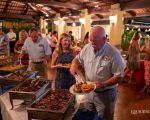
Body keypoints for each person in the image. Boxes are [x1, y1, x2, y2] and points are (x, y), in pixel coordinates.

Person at [70, 26, 125, 120]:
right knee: (89, 116)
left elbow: (119, 76)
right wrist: (74, 65)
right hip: (89, 91)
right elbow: (77, 59)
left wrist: (103, 84)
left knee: (104, 118)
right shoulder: (87, 48)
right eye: (90, 40)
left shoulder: (114, 53)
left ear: (104, 39)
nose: (91, 44)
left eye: (94, 41)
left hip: (106, 94)